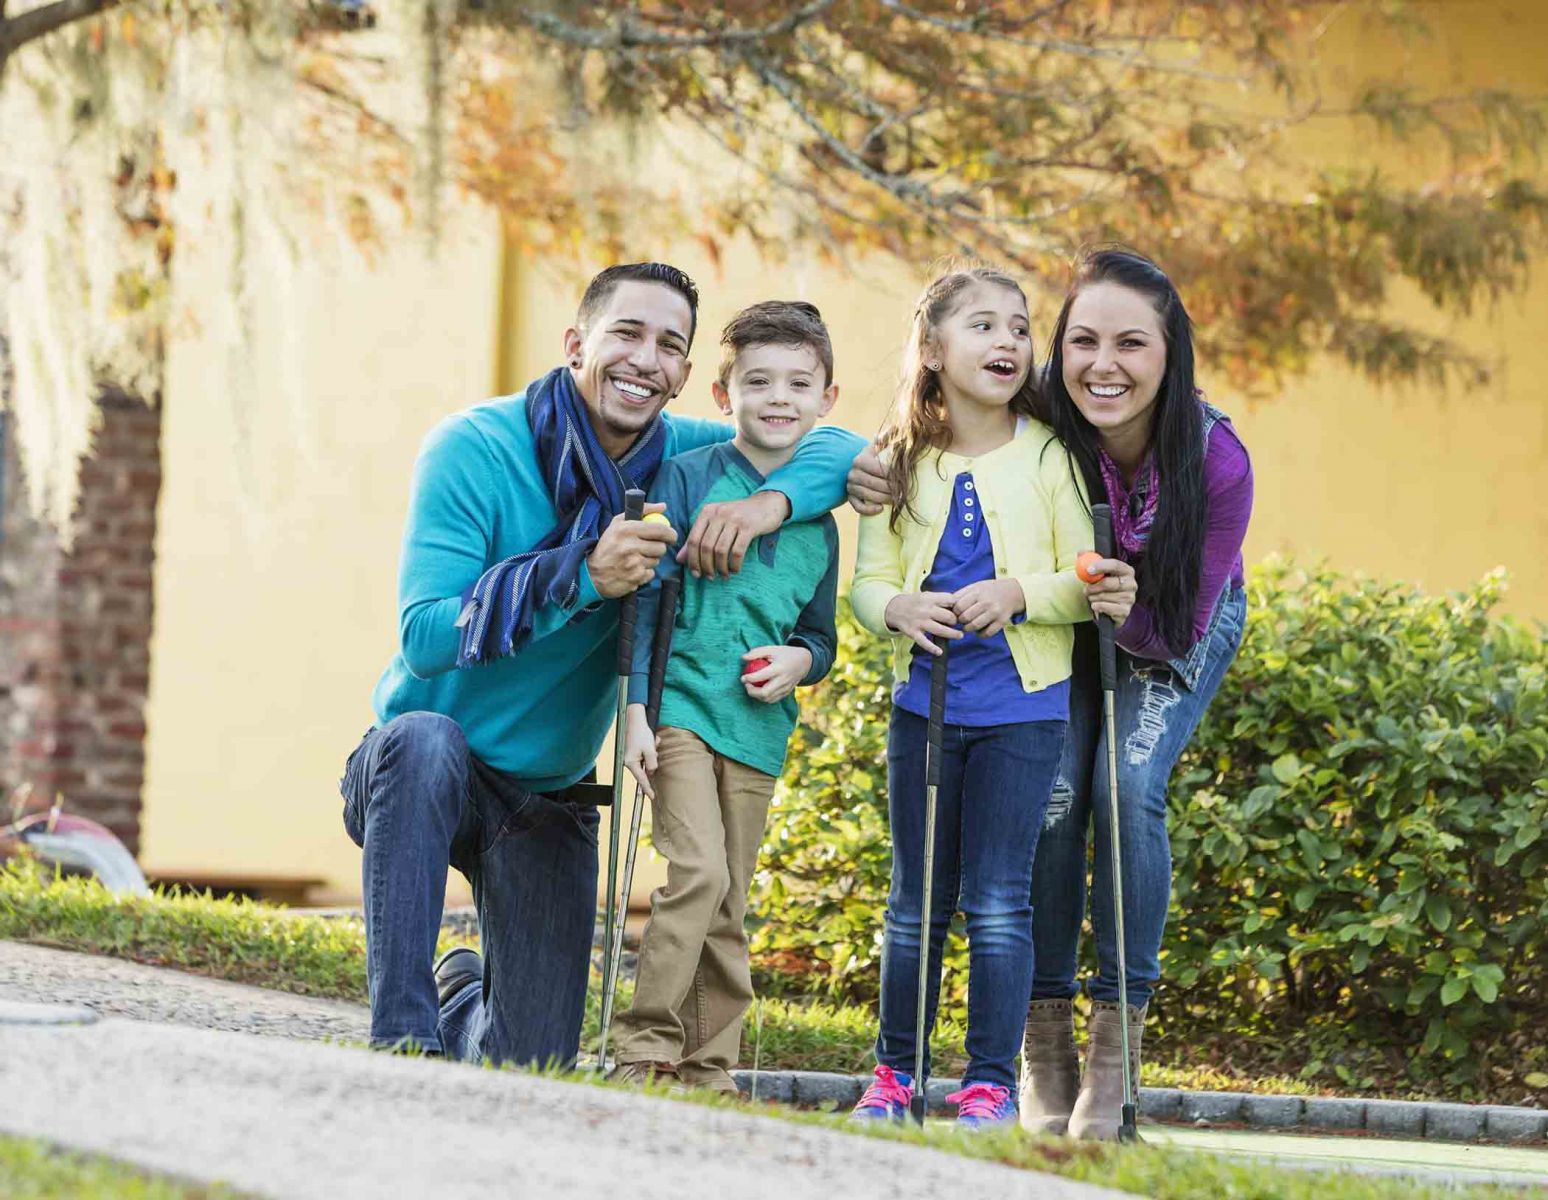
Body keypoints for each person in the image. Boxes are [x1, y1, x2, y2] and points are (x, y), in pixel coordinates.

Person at [337, 263, 867, 1070]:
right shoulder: (475, 446)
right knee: (423, 741)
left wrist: (767, 506)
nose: (644, 360)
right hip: (420, 772)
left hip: (547, 792)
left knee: (534, 1061)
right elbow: (424, 636)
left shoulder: (688, 463)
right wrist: (581, 575)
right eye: (627, 333)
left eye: (669, 346)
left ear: (690, 377)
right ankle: (403, 1038)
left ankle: (460, 995)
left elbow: (842, 449)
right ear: (578, 342)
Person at [846, 267, 1097, 1129]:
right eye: (983, 326)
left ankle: (989, 1082)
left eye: (1020, 327)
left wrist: (1021, 593)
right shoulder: (895, 461)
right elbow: (867, 582)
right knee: (915, 900)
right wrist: (896, 609)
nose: (1008, 342)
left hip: (1023, 714)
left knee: (998, 901)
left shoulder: (1049, 455)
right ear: (933, 349)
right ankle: (896, 1075)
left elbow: (1085, 577)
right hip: (924, 710)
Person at [1021, 248, 1253, 1140]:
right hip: (1061, 619)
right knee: (1054, 794)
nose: (1102, 366)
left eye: (1130, 344)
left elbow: (1178, 627)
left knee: (1124, 787)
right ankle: (1045, 1053)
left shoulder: (1216, 458)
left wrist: (1125, 618)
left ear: (1170, 353)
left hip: (1166, 621)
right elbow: (933, 428)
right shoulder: (1038, 416)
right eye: (1083, 342)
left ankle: (1114, 1061)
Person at [609, 301, 843, 1094]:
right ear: (723, 394)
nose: (779, 398)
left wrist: (798, 661)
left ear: (826, 400)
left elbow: (822, 637)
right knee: (698, 875)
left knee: (731, 903)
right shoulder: (689, 476)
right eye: (758, 381)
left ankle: (711, 1070)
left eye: (798, 384)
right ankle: (642, 1049)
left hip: (757, 728)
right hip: (679, 711)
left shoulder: (819, 516)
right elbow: (642, 599)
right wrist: (635, 712)